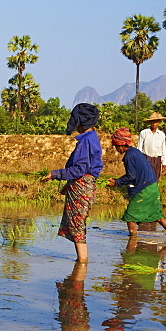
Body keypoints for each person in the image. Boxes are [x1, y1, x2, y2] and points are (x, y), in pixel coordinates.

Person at [42, 102, 104, 263]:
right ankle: (80, 266)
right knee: (77, 223)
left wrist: (55, 174)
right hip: (83, 185)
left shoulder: (85, 142)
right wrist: (67, 185)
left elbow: (80, 169)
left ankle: (82, 264)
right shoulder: (92, 138)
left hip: (81, 187)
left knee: (77, 224)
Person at [106, 128, 166, 238]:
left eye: (116, 146)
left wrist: (117, 182)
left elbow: (131, 176)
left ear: (121, 144)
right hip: (152, 187)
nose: (116, 149)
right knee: (158, 216)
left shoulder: (129, 156)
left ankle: (132, 243)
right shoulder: (135, 152)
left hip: (144, 189)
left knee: (130, 216)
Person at [136, 111, 166, 180]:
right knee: (145, 177)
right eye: (152, 122)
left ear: (158, 122)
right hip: (146, 158)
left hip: (157, 159)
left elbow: (163, 149)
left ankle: (153, 190)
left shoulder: (161, 135)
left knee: (155, 177)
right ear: (150, 123)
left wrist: (164, 163)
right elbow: (139, 148)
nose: (154, 123)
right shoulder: (144, 133)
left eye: (156, 122)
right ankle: (145, 190)